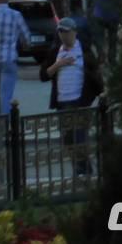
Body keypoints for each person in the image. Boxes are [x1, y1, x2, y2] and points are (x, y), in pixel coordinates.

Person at [42, 19, 100, 178]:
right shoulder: (55, 51)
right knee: (68, 139)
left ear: (74, 32)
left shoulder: (84, 50)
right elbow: (44, 75)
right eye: (60, 32)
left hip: (80, 101)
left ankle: (82, 170)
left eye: (66, 32)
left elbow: (95, 74)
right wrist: (58, 64)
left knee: (79, 136)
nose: (63, 35)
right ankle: (83, 168)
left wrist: (97, 94)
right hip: (62, 101)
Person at [87, 0, 122, 64]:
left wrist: (89, 7)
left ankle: (101, 55)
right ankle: (112, 59)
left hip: (99, 14)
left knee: (99, 37)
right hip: (113, 15)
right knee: (112, 39)